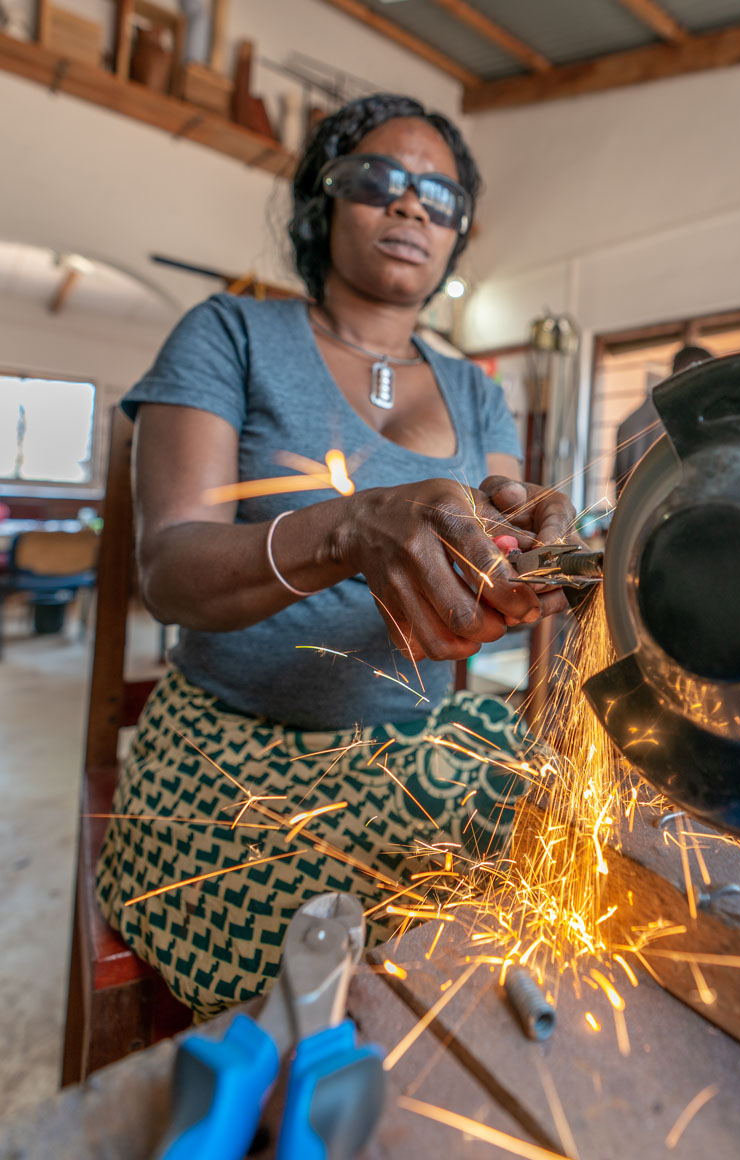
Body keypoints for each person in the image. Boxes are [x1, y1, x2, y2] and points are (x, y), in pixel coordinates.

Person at [96, 93, 576, 1018]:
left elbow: (504, 515)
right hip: (238, 754)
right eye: (379, 182)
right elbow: (169, 572)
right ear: (325, 204)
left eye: (439, 198)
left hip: (410, 747)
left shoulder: (477, 394)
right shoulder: (229, 334)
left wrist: (529, 548)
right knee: (404, 973)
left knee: (559, 857)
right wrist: (352, 527)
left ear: (456, 237)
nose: (410, 208)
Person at [612, 344, 712, 498]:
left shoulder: (628, 422)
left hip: (635, 516)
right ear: (696, 370)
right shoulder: (687, 419)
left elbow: (618, 489)